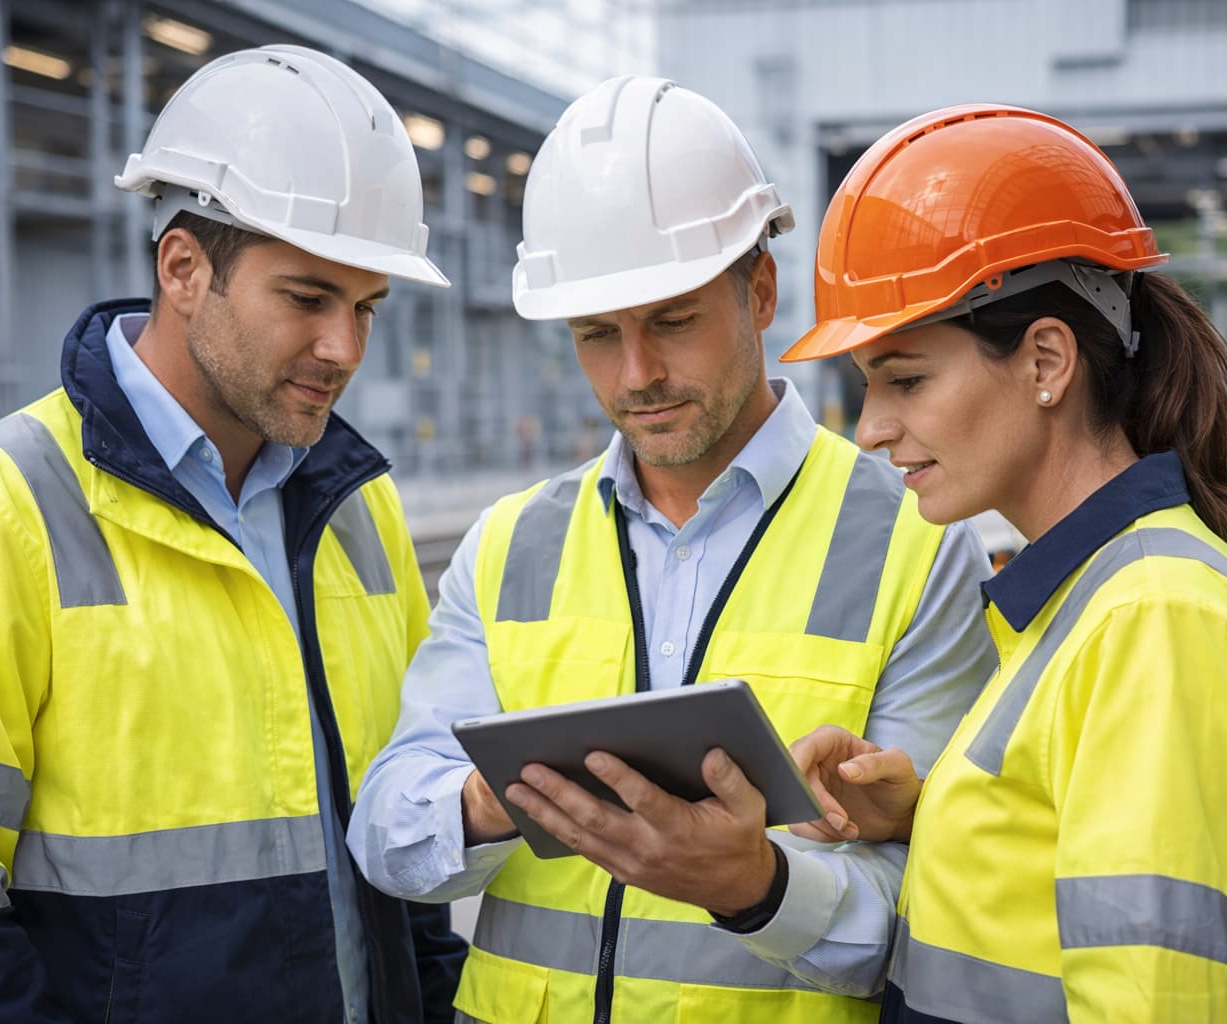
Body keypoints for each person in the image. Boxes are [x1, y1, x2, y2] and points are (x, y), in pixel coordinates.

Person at [352, 75, 997, 1022]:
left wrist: (759, 886)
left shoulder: (916, 540)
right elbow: (388, 833)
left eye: (673, 320)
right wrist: (498, 803)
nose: (637, 373)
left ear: (761, 291)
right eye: (596, 335)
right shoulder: (511, 542)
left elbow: (941, 912)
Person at [0, 45, 465, 1023]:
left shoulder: (356, 506)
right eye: (307, 298)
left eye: (366, 308)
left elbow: (396, 838)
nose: (343, 348)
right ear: (183, 267)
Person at [783, 103, 1227, 1023]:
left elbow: (1157, 1000)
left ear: (1047, 359)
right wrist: (932, 815)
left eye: (907, 380)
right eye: (868, 390)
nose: (874, 430)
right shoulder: (1092, 597)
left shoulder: (1156, 620)